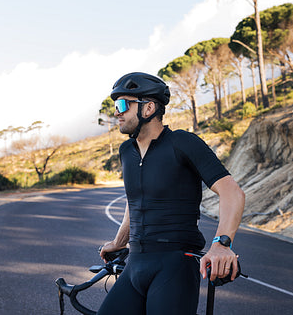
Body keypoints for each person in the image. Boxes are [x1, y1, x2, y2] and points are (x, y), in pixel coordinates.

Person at [98, 72, 245, 315]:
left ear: (149, 108)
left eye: (123, 104)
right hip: (135, 264)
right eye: (115, 105)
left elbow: (232, 192)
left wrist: (221, 244)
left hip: (175, 265)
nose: (117, 112)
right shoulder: (126, 151)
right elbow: (134, 202)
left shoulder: (183, 143)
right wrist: (119, 241)